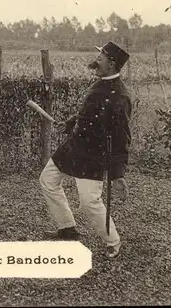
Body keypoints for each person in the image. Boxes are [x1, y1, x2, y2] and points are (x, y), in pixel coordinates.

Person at [39, 41, 132, 259]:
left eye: (100, 58)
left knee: (90, 202)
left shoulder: (120, 96)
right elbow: (88, 114)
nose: (96, 61)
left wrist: (118, 175)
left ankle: (113, 241)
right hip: (73, 146)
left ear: (111, 64)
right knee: (48, 180)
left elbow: (122, 137)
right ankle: (67, 228)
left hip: (93, 154)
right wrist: (70, 124)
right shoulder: (99, 83)